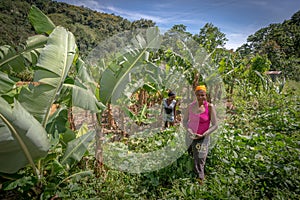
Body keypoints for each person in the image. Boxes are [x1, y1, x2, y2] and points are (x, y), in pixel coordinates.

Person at [183, 85, 218, 184]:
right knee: (191, 154)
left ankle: (200, 178)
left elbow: (215, 125)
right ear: (195, 95)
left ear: (206, 95)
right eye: (198, 95)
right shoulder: (190, 107)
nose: (200, 97)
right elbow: (184, 121)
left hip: (203, 137)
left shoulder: (209, 107)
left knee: (200, 158)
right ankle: (189, 172)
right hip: (190, 136)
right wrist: (189, 130)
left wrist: (204, 134)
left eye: (202, 95)